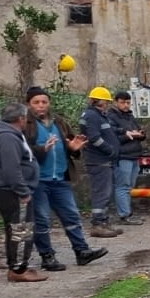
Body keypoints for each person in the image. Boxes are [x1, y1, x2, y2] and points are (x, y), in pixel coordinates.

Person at [25, 86, 109, 271]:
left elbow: (71, 143)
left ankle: (82, 251)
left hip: (60, 179)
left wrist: (73, 148)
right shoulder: (25, 125)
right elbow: (21, 153)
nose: (41, 106)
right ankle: (47, 256)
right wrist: (41, 149)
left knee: (71, 215)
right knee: (41, 220)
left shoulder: (59, 123)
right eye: (36, 102)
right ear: (28, 105)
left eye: (44, 102)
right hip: (37, 180)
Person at [0, 102, 44, 282]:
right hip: (13, 192)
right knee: (21, 230)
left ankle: (18, 265)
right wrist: (23, 191)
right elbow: (12, 168)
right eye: (25, 117)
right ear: (21, 118)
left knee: (16, 229)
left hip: (6, 190)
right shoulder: (8, 138)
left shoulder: (4, 135)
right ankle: (18, 270)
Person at [78, 86, 121, 238]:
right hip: (98, 161)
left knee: (106, 193)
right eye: (106, 101)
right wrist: (109, 150)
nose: (107, 104)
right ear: (98, 100)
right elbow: (94, 138)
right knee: (101, 193)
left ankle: (103, 221)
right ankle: (97, 224)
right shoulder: (92, 116)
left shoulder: (98, 115)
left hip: (103, 161)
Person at [107, 90, 147, 226]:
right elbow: (112, 137)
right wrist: (127, 135)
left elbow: (137, 130)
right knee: (122, 186)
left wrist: (141, 134)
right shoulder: (110, 117)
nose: (126, 105)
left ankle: (127, 213)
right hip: (122, 156)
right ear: (115, 102)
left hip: (134, 155)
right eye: (123, 102)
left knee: (129, 187)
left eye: (128, 102)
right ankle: (124, 215)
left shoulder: (129, 116)